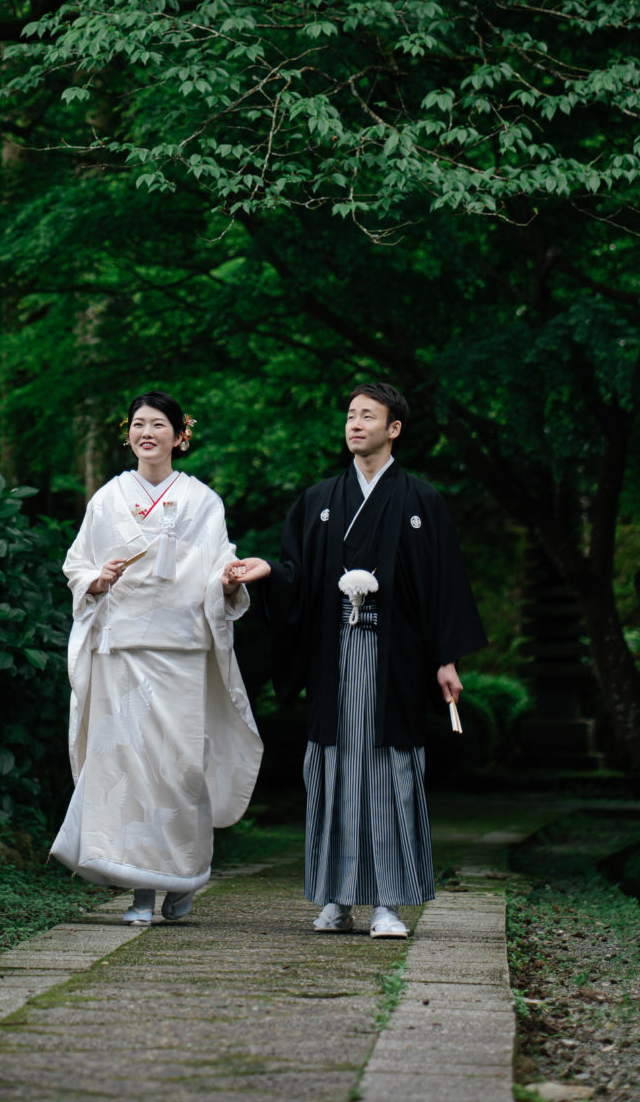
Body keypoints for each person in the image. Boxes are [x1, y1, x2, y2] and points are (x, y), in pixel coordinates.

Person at [230, 381, 484, 939]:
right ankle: (337, 898)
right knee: (335, 770)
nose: (355, 424)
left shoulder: (422, 502)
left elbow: (443, 587)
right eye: (350, 415)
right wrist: (270, 573)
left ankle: (389, 902)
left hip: (396, 659)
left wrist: (446, 659)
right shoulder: (320, 501)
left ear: (394, 429)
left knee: (390, 771)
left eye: (368, 416)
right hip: (332, 657)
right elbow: (297, 574)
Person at [51, 390, 263, 926]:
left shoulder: (202, 501)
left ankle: (185, 875)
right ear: (128, 435)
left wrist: (232, 580)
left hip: (180, 649)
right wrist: (95, 580)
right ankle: (141, 889)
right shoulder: (107, 498)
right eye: (138, 425)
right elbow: (77, 563)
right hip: (123, 649)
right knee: (128, 765)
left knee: (180, 767)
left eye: (159, 425)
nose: (147, 433)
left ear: (179, 435)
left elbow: (220, 564)